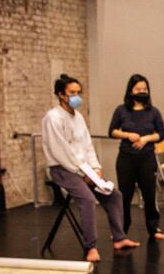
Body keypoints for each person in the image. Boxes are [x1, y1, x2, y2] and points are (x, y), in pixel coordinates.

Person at [42, 74, 139, 262]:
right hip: (62, 169)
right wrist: (82, 173)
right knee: (87, 200)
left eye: (79, 92)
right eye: (72, 93)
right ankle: (90, 247)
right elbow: (61, 151)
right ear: (62, 95)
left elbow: (87, 145)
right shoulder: (53, 118)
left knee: (114, 195)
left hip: (84, 169)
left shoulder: (78, 117)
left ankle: (119, 238)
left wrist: (95, 168)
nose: (76, 96)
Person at [109, 74, 164, 241]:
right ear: (131, 91)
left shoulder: (153, 112)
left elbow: (162, 134)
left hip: (147, 159)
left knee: (149, 194)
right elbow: (112, 131)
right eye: (138, 89)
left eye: (144, 89)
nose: (142, 92)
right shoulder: (121, 110)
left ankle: (153, 227)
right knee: (124, 196)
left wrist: (145, 139)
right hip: (126, 158)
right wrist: (128, 135)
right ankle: (121, 229)